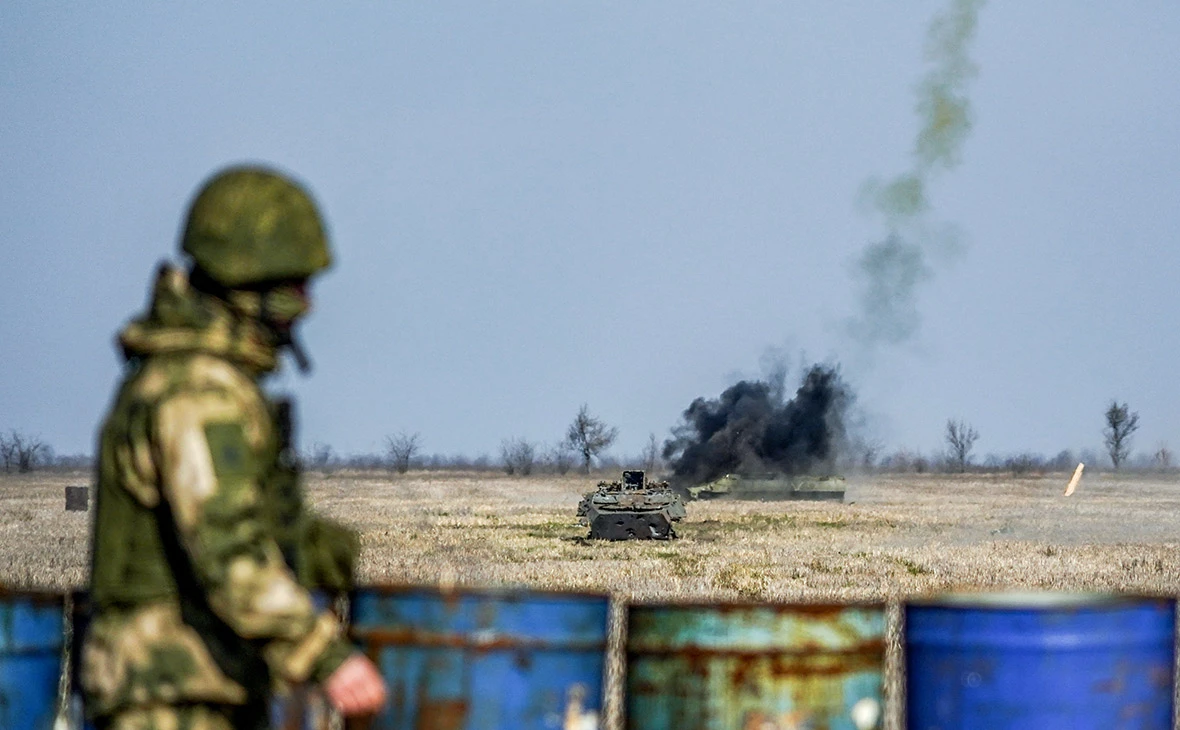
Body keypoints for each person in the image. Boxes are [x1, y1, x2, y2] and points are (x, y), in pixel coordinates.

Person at [82, 166, 387, 729]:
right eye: (296, 289)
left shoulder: (196, 379)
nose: (309, 307)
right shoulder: (199, 391)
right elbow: (226, 550)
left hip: (193, 685)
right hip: (170, 691)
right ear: (253, 287)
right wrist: (325, 657)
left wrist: (310, 547)